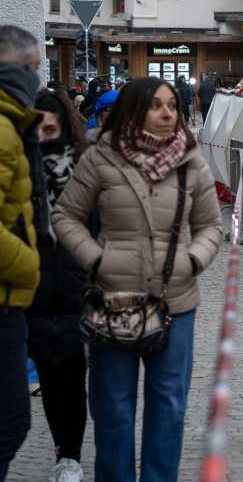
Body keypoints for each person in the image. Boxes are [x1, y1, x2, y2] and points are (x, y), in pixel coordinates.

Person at [52, 77, 223, 481]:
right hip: (113, 299)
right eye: (156, 105)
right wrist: (97, 260)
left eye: (172, 105)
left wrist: (193, 261)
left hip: (176, 302)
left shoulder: (191, 160)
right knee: (113, 406)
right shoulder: (100, 158)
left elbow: (211, 225)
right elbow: (65, 215)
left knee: (168, 406)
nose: (168, 113)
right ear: (133, 111)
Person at [26, 88, 89, 482]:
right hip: (33, 287)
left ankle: (71, 454)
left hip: (76, 285)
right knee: (49, 377)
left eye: (51, 129)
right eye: (38, 131)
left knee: (71, 375)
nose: (45, 138)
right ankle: (62, 450)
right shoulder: (19, 168)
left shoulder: (85, 169)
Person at [0, 24, 45, 482]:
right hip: (4, 296)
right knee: (10, 422)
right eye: (33, 70)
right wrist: (33, 264)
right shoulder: (3, 127)